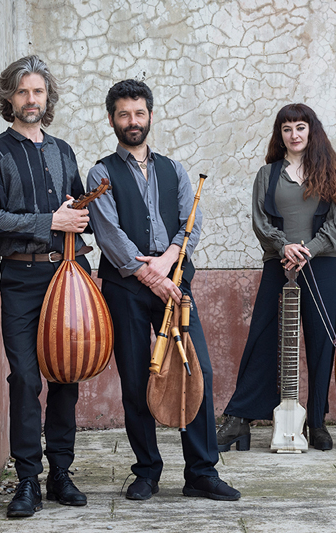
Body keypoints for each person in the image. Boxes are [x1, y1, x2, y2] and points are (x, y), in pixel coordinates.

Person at [87, 79, 240, 502]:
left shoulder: (174, 168)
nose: (132, 121)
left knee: (196, 370)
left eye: (139, 113)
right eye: (123, 114)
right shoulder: (101, 171)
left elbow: (192, 221)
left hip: (176, 283)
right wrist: (148, 273)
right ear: (112, 119)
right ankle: (147, 471)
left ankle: (201, 472)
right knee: (139, 378)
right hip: (127, 285)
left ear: (150, 116)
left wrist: (171, 257)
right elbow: (108, 232)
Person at [0, 55, 90, 518]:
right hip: (21, 278)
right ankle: (27, 481)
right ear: (9, 98)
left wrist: (75, 215)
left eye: (38, 92)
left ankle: (60, 472)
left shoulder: (63, 150)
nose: (31, 100)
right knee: (25, 377)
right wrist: (50, 220)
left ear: (48, 99)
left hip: (67, 274)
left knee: (65, 375)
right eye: (23, 92)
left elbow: (79, 212)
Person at [217, 104, 336, 452]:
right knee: (264, 337)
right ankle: (240, 419)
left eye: (300, 127)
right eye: (287, 128)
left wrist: (309, 249)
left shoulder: (331, 171)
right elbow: (261, 222)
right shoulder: (268, 174)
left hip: (321, 265)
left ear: (311, 131)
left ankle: (317, 421)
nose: (294, 134)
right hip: (280, 264)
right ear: (280, 134)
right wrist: (285, 247)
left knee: (321, 342)